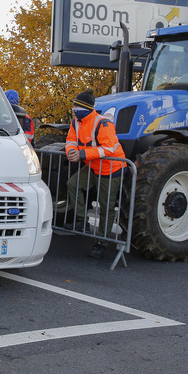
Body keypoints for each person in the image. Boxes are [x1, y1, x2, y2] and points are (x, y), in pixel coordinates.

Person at [59, 90, 126, 258]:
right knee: (73, 184)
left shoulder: (102, 123)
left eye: (77, 106)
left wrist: (81, 154)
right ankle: (81, 220)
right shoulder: (76, 121)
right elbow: (71, 141)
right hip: (93, 166)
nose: (74, 108)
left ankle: (101, 243)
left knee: (106, 207)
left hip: (111, 169)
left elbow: (109, 148)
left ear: (86, 108)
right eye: (74, 105)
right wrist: (71, 151)